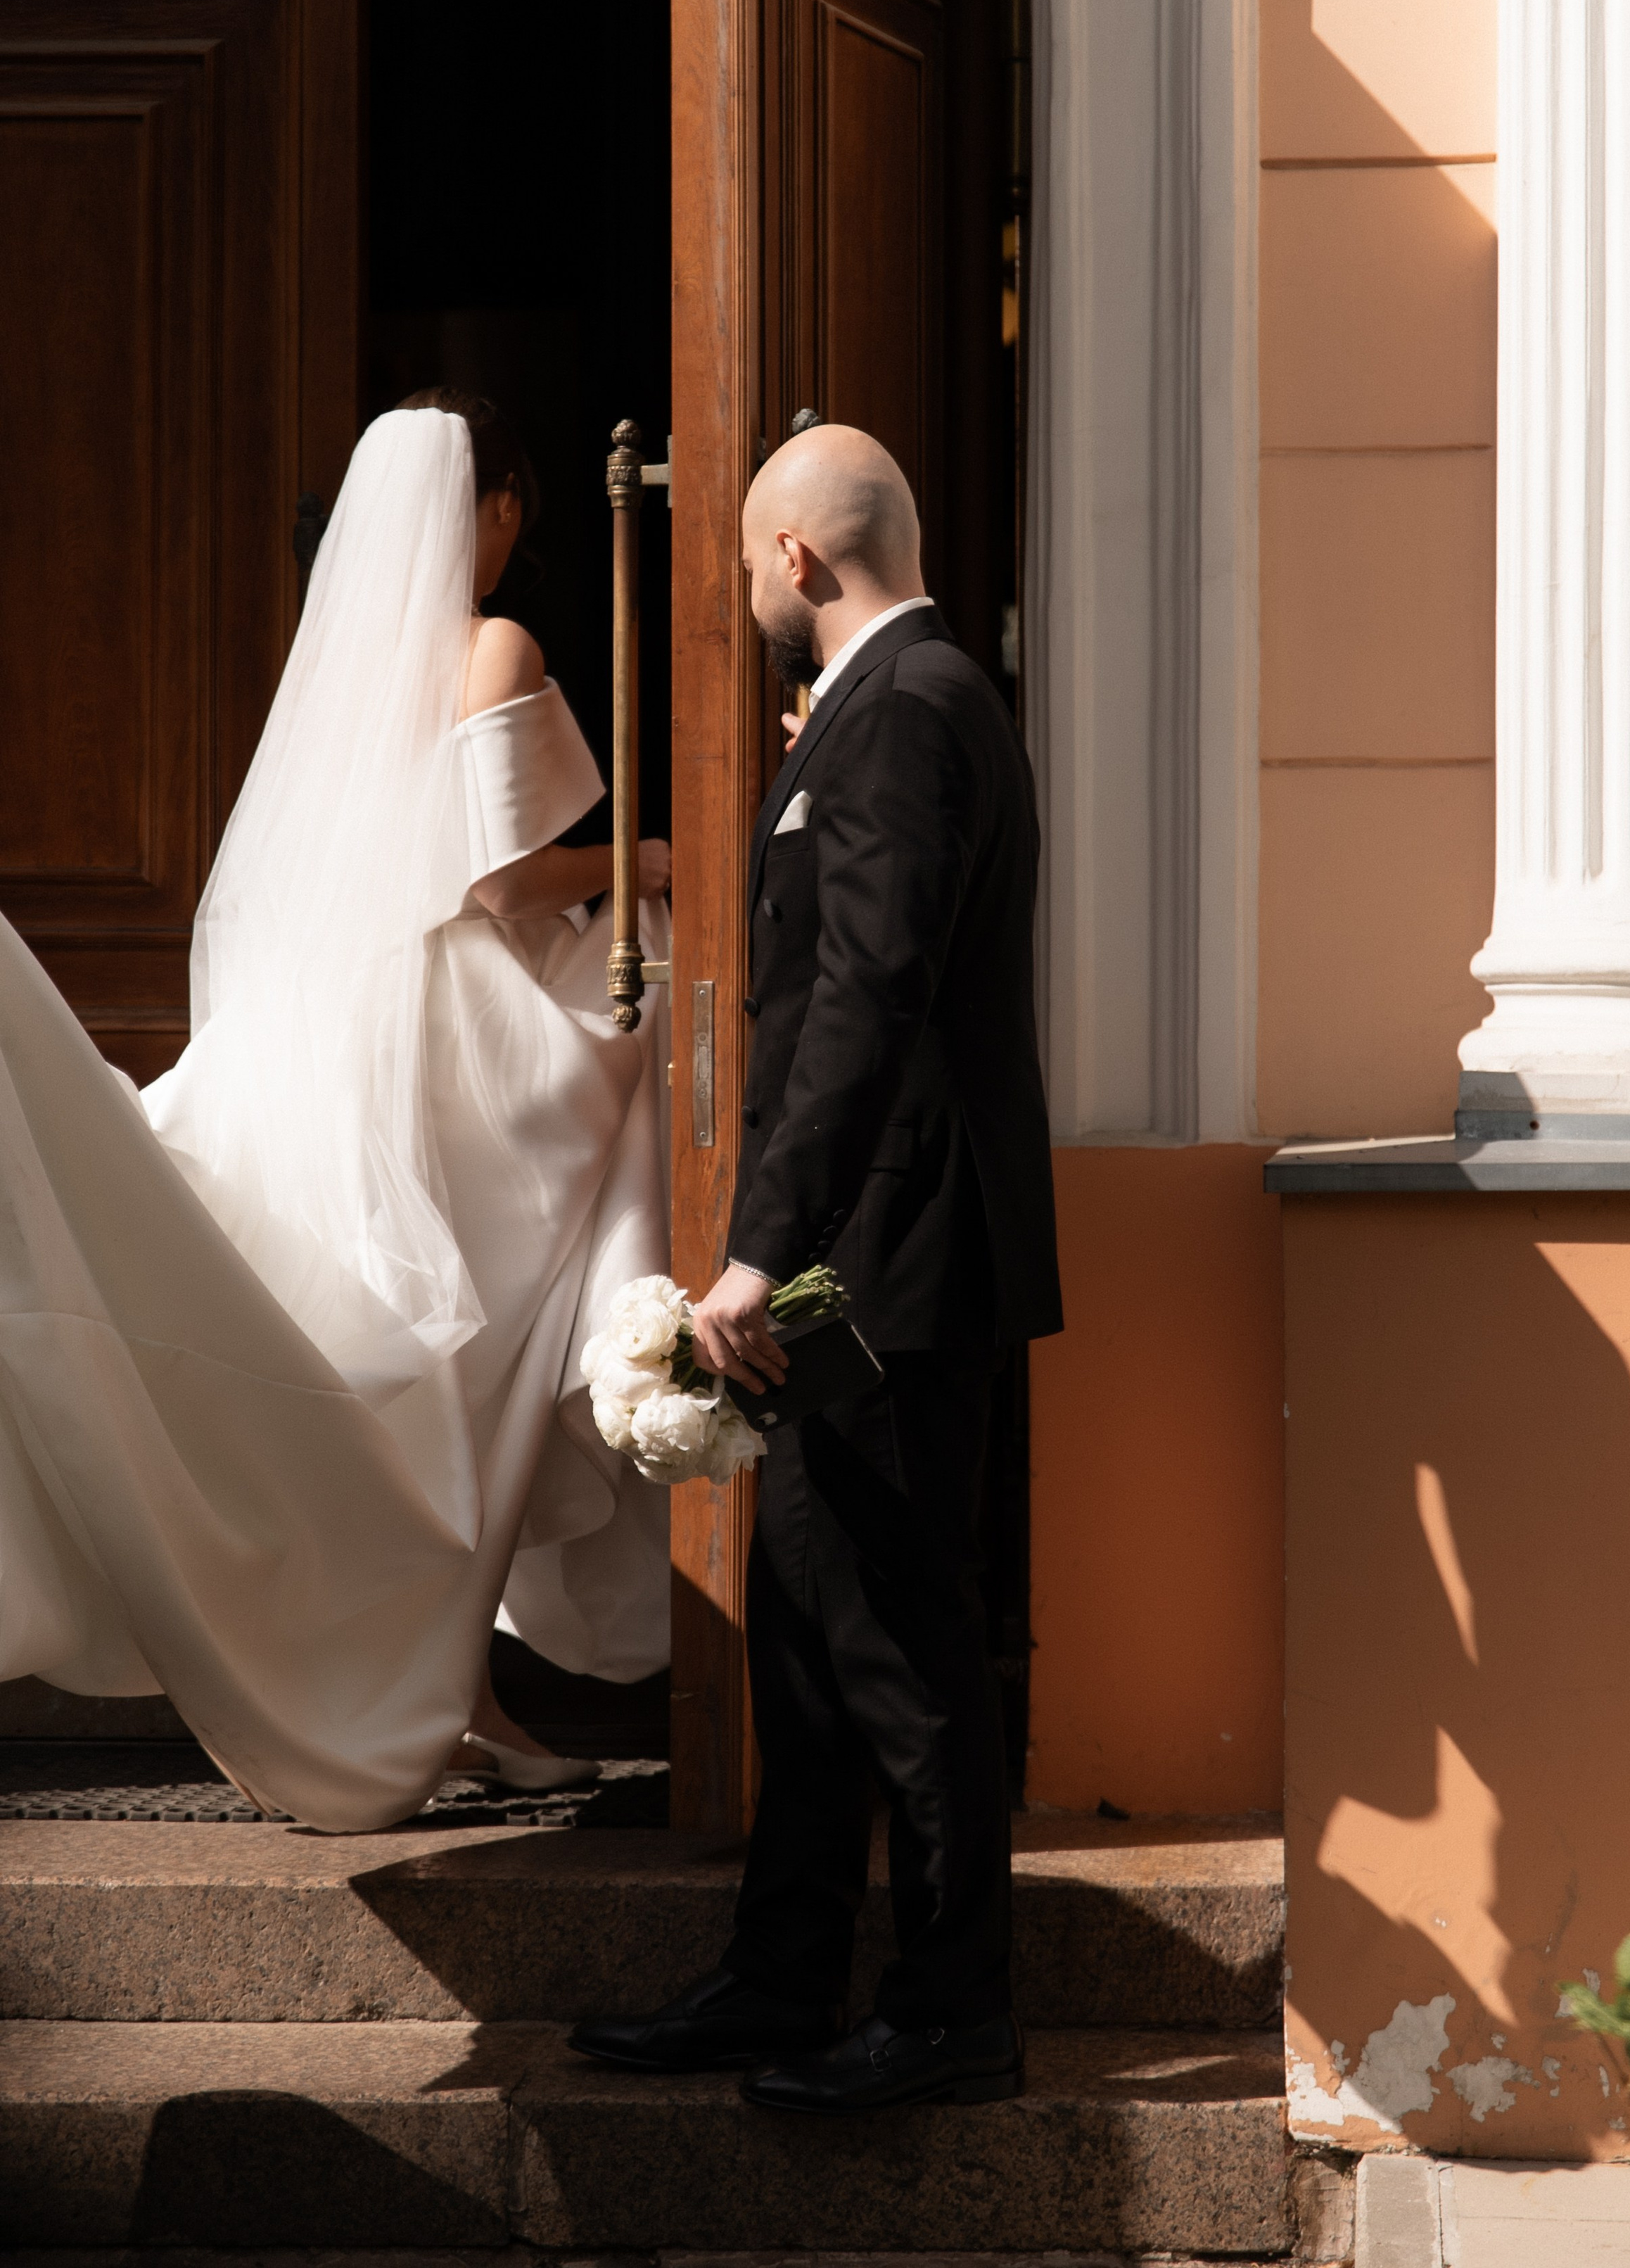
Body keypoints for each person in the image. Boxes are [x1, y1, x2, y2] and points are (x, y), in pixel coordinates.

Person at [0, 395, 671, 1827]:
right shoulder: (494, 644)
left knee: (435, 1387)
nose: (515, 536)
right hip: (465, 1042)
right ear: (495, 504)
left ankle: (446, 1693)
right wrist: (646, 857)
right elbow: (497, 881)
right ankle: (445, 1693)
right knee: (491, 1359)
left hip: (355, 1021)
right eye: (514, 510)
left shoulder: (350, 671)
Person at [570, 422, 1062, 2112]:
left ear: (793, 557)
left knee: (898, 1637)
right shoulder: (897, 703)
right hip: (872, 1253)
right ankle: (782, 1973)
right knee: (802, 1620)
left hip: (885, 1259)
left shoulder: (907, 708)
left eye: (743, 564)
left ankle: (949, 2008)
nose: (747, 593)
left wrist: (758, 1253)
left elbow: (863, 997)